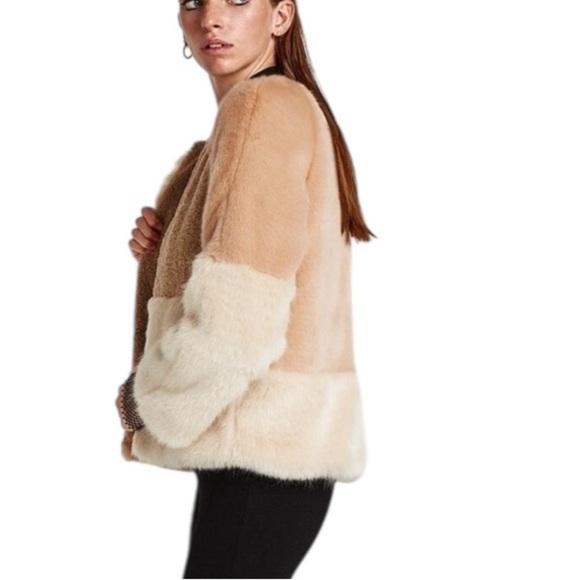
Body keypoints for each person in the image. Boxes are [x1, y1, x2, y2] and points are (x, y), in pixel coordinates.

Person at [115, 0, 376, 577]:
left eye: (237, 0)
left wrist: (147, 399)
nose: (211, 17)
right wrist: (166, 244)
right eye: (193, 2)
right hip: (279, 453)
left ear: (281, 17)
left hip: (258, 455)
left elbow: (237, 320)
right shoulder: (283, 110)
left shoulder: (261, 107)